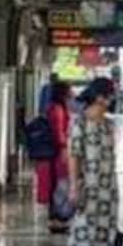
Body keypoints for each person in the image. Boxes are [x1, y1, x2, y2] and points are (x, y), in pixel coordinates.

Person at [66, 77, 120, 246]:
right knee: (82, 233)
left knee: (106, 235)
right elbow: (73, 156)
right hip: (88, 187)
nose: (112, 98)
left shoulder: (110, 125)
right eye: (109, 94)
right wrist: (73, 186)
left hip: (109, 189)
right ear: (99, 97)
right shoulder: (79, 124)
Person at [45, 81, 73, 233]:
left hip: (57, 151)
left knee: (58, 184)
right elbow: (58, 132)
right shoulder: (57, 109)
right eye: (70, 90)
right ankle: (59, 219)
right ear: (63, 93)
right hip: (58, 152)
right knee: (60, 185)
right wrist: (63, 148)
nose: (72, 92)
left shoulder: (56, 107)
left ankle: (58, 219)